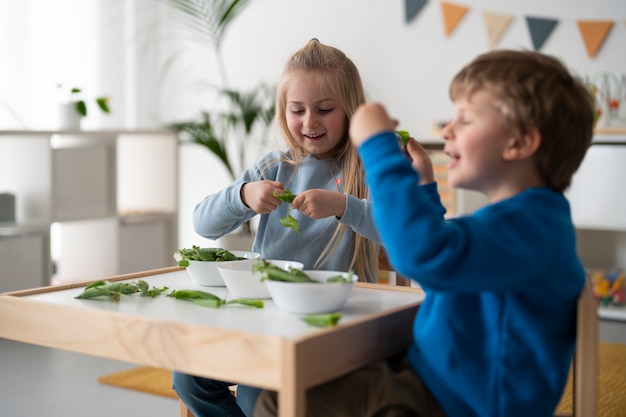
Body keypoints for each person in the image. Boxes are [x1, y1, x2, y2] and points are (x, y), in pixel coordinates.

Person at [254, 49, 595, 417]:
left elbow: (421, 255)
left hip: (453, 401)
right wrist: (421, 190)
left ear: (519, 143)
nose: (447, 130)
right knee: (291, 389)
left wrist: (377, 147)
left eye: (465, 119)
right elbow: (445, 262)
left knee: (284, 401)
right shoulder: (523, 221)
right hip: (431, 379)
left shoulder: (529, 229)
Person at [173, 38, 389, 417]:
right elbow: (202, 225)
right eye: (297, 110)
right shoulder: (274, 168)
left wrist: (344, 206)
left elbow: (401, 233)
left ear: (350, 111)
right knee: (188, 376)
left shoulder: (365, 171)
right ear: (283, 111)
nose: (310, 121)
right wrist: (241, 195)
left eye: (324, 109)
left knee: (259, 397)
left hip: (333, 329)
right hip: (264, 320)